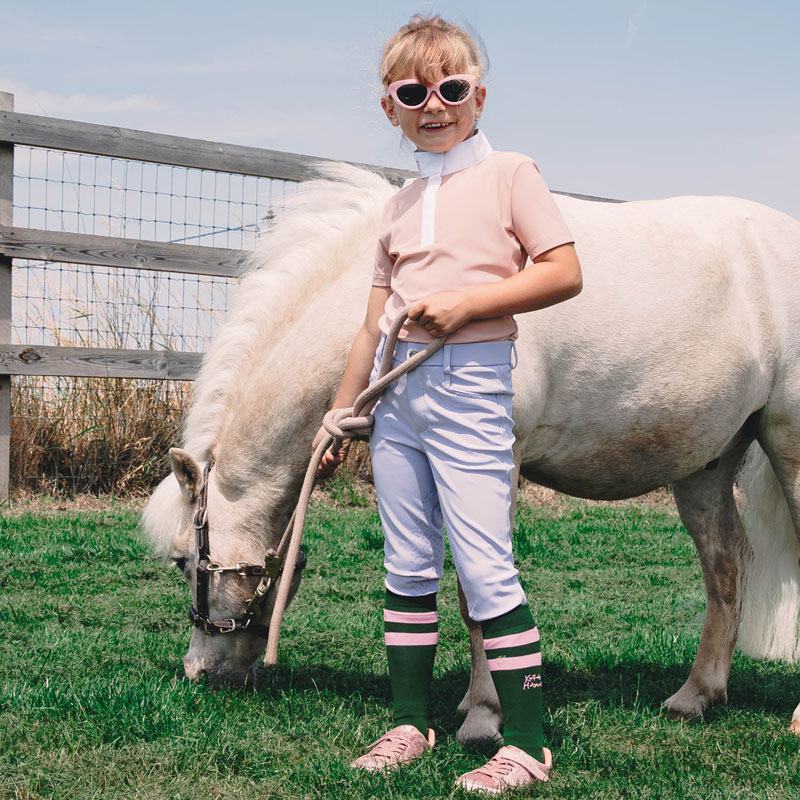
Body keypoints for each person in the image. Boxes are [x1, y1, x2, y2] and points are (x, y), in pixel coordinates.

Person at [311, 13, 582, 794]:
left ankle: (527, 744)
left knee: (487, 566)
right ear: (390, 107)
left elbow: (563, 270)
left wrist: (470, 304)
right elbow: (373, 324)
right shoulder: (395, 209)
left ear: (479, 97)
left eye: (451, 87)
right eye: (413, 91)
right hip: (396, 398)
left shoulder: (511, 175)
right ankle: (409, 722)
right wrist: (342, 412)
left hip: (469, 384)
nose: (435, 104)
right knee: (406, 565)